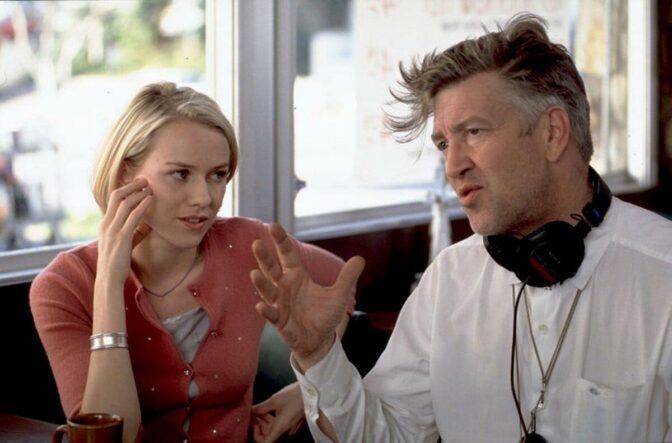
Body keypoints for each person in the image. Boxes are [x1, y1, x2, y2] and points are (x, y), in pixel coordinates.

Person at [249, 13, 672, 443]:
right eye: (444, 144)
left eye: (474, 132)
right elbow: (387, 436)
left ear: (552, 132)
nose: (452, 167)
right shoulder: (450, 278)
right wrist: (318, 355)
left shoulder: (664, 273)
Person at [29, 81, 351, 443]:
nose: (204, 198)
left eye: (218, 175)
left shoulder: (248, 243)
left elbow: (341, 285)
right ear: (124, 175)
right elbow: (113, 438)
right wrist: (108, 283)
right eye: (180, 174)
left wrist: (309, 390)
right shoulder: (63, 286)